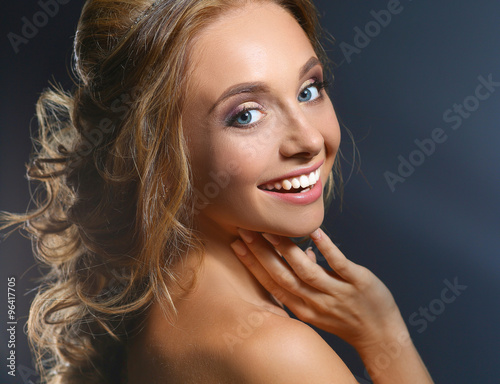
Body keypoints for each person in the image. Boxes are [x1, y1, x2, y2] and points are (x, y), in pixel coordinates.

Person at [2, 0, 434, 383]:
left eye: (308, 90)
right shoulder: (276, 352)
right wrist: (385, 339)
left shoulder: (157, 317)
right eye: (246, 115)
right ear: (156, 150)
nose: (309, 140)